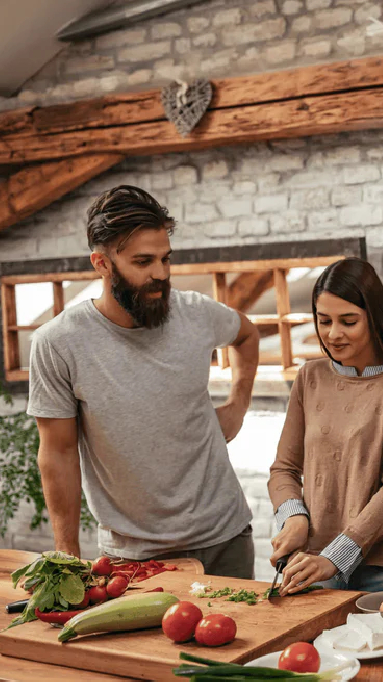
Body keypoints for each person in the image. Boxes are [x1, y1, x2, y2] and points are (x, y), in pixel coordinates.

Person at [28, 185, 260, 578]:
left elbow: (247, 335)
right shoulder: (58, 343)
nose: (161, 274)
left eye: (165, 259)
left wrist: (237, 406)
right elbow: (58, 453)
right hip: (132, 556)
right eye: (143, 261)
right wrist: (66, 553)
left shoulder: (195, 313)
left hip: (225, 538)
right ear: (101, 263)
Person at [269, 258, 383, 596]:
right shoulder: (310, 376)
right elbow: (284, 469)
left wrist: (334, 557)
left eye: (348, 321)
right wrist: (295, 519)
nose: (333, 334)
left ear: (374, 317)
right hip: (312, 568)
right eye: (324, 321)